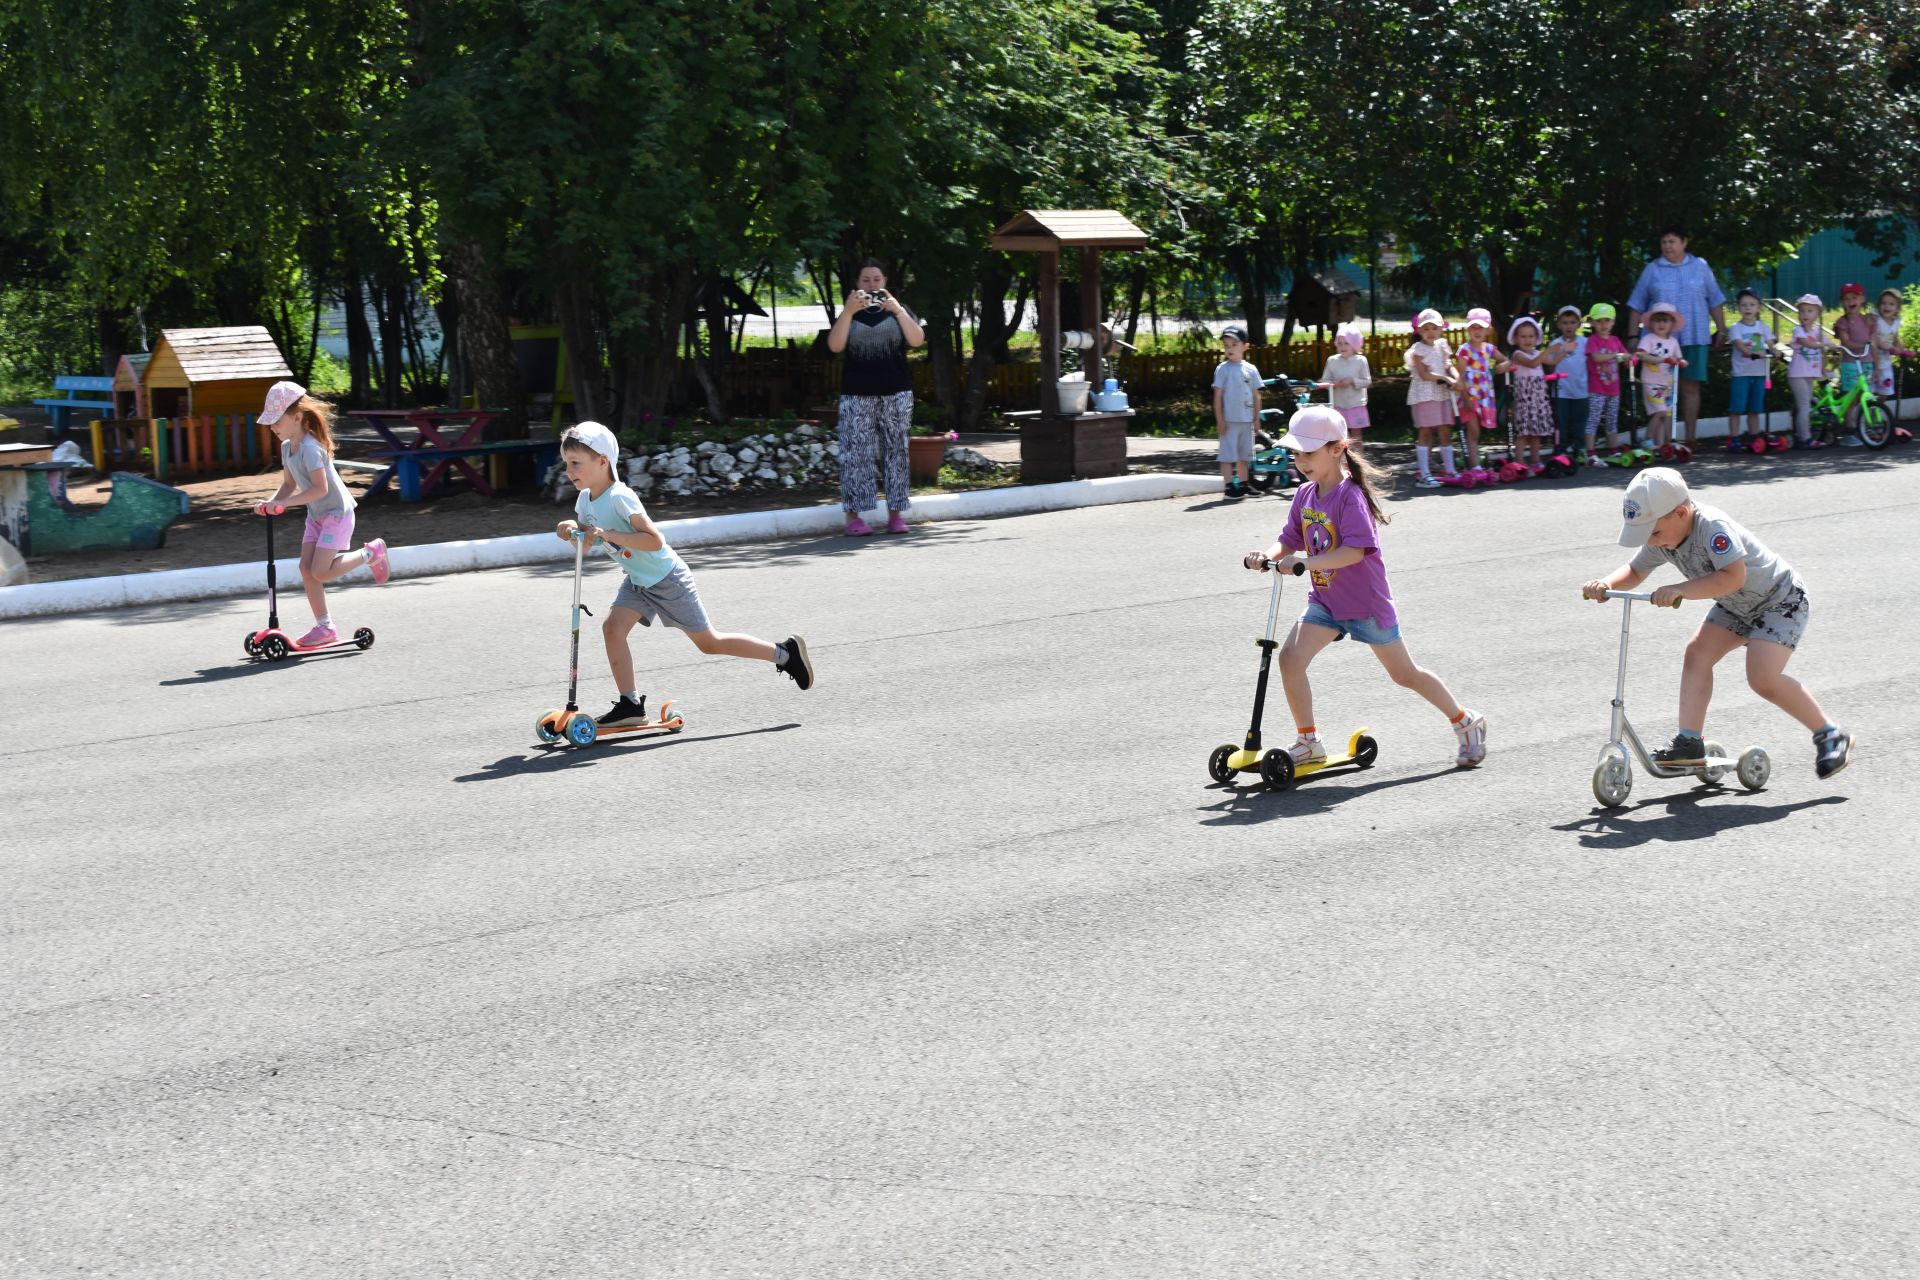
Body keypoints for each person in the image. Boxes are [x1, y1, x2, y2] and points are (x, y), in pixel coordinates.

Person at [1242, 405, 1487, 768]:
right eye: (1296, 453)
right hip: (1326, 601)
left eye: (1309, 452)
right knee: (1290, 659)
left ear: (1337, 449)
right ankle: (1309, 741)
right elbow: (1289, 538)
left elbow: (1354, 552)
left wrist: (1306, 563)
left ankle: (1465, 721)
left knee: (1405, 674)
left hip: (1366, 604)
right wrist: (1267, 555)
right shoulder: (1305, 495)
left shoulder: (1350, 496)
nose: (1301, 460)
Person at [1581, 467, 1852, 779]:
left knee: (1762, 678)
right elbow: (1636, 570)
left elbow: (1733, 577)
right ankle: (1690, 742)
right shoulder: (1663, 537)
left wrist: (1681, 589)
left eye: (1652, 533)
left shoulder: (1712, 528)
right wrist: (1604, 584)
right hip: (1736, 604)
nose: (1651, 543)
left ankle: (1830, 733)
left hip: (1779, 601)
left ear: (1681, 513)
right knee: (1697, 653)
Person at [553, 422, 813, 725]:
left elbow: (653, 540)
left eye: (575, 463)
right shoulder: (585, 499)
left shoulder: (620, 497)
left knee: (709, 643)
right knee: (612, 628)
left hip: (667, 579)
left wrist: (610, 534)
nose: (569, 470)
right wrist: (572, 532)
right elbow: (586, 545)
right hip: (638, 581)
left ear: (602, 461)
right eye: (566, 464)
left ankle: (784, 653)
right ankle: (631, 704)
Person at [253, 380, 389, 647]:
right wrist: (270, 502)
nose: (272, 427)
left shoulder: (311, 448)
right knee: (306, 568)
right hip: (317, 516)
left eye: (276, 421)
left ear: (297, 417)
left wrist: (285, 504)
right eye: (270, 422)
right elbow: (289, 484)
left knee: (320, 571)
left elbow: (319, 488)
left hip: (337, 514)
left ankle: (370, 553)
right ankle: (325, 627)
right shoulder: (286, 448)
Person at [826, 259, 926, 536]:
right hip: (857, 394)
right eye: (866, 280)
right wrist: (847, 312)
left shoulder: (899, 309)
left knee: (896, 453)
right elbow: (835, 345)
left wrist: (897, 310)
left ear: (885, 281)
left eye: (877, 279)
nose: (872, 285)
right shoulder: (850, 313)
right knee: (855, 455)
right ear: (857, 284)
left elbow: (917, 340)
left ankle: (896, 516)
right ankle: (854, 519)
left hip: (896, 392)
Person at [1626, 224, 1727, 450]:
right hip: (1657, 341)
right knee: (1657, 388)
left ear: (1684, 242)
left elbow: (1715, 299)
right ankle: (1658, 440)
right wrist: (1633, 335)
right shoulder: (1653, 269)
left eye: (1672, 241)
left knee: (1691, 387)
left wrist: (1722, 329)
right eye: (1664, 242)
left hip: (1694, 335)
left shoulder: (1700, 266)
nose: (1668, 246)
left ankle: (1690, 438)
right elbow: (1636, 303)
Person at [1405, 308, 1459, 488]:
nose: (1430, 332)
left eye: (1434, 328)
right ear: (1419, 331)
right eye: (1425, 328)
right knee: (1426, 431)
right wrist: (1444, 378)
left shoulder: (1442, 345)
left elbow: (1448, 365)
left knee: (1444, 430)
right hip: (1424, 394)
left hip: (1442, 394)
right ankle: (1424, 473)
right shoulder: (1418, 349)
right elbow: (1423, 375)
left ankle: (1450, 469)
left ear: (1441, 329)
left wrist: (1456, 377)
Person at [1724, 289, 1776, 451]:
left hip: (1760, 373)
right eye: (1744, 305)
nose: (1748, 308)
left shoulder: (1763, 327)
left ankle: (1754, 436)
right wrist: (1752, 353)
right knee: (1737, 408)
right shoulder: (1736, 328)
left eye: (1752, 305)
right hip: (1741, 373)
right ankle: (1734, 437)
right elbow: (1739, 345)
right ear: (1739, 308)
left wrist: (1775, 351)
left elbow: (1770, 343)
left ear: (1759, 307)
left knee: (1755, 408)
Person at [1213, 326, 1261, 498]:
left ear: (1245, 346)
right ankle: (1228, 487)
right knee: (1227, 455)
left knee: (1244, 455)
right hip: (1229, 420)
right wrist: (1220, 420)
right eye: (1226, 345)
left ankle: (1244, 483)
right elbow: (1218, 396)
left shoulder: (1251, 369)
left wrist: (1256, 418)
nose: (1229, 349)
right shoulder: (1223, 369)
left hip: (1246, 420)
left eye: (1234, 344)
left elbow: (1256, 396)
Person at [1635, 302, 1687, 459]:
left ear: (1672, 324)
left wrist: (1682, 362)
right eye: (1657, 320)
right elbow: (1641, 355)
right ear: (1651, 323)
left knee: (1665, 416)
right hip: (1651, 381)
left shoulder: (1673, 342)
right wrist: (1662, 359)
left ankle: (1662, 445)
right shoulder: (1648, 339)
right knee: (1660, 412)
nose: (1661, 324)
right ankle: (1648, 440)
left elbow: (1679, 358)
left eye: (1665, 320)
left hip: (1667, 383)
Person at [1451, 307, 1500, 472]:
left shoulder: (1489, 348)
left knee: (1476, 432)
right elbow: (1460, 376)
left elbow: (1505, 360)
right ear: (1468, 329)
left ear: (1489, 329)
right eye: (1473, 327)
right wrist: (1465, 399)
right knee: (1473, 431)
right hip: (1469, 396)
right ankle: (1475, 465)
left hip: (1484, 396)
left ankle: (1469, 459)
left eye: (1481, 327)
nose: (1477, 331)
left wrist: (1504, 365)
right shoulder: (1465, 350)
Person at [1504, 316, 1555, 469]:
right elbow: (1533, 364)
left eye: (1531, 336)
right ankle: (1519, 463)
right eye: (1523, 336)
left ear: (1536, 337)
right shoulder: (1518, 355)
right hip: (1525, 399)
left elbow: (1552, 361)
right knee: (1523, 432)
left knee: (1536, 432)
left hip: (1538, 398)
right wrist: (1549, 350)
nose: (1528, 340)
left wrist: (1564, 350)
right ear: (1516, 338)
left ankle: (1535, 461)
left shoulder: (1536, 353)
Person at [1831, 282, 1879, 447]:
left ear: (1862, 299)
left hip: (1867, 363)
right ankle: (1849, 432)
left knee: (1865, 396)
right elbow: (1846, 342)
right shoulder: (1842, 322)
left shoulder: (1868, 320)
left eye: (1854, 297)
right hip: (1850, 363)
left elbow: (1874, 345)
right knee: (1850, 400)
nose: (1850, 301)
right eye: (1846, 299)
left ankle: (1869, 429)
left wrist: (1877, 366)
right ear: (1842, 302)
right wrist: (1863, 346)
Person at [1583, 304, 1630, 463]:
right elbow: (1596, 358)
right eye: (1599, 321)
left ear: (1613, 322)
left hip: (1613, 388)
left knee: (1612, 420)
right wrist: (1617, 356)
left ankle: (1613, 450)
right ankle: (1590, 452)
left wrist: (1630, 359)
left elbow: (1625, 356)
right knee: (1594, 419)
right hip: (1597, 388)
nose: (1603, 324)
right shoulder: (1592, 340)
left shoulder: (1615, 340)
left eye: (1607, 320)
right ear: (1593, 323)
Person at [1543, 305, 1589, 462]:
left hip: (1582, 390)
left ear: (1578, 324)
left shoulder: (1585, 342)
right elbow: (1550, 365)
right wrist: (1562, 352)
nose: (1568, 326)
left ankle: (1580, 449)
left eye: (1572, 322)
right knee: (1561, 422)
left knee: (1580, 422)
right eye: (1564, 322)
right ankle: (1560, 449)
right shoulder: (1555, 343)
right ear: (1559, 325)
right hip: (1561, 390)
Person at [1320, 321, 1373, 457]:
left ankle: (1359, 461)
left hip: (1356, 404)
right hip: (1338, 404)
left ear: (1355, 344)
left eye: (1346, 343)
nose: (1342, 346)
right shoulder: (1332, 360)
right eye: (1339, 343)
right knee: (1340, 436)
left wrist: (1352, 381)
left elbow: (1367, 381)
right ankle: (1343, 461)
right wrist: (1333, 384)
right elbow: (1324, 381)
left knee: (1356, 436)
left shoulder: (1361, 360)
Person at [1786, 293, 1829, 448]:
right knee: (1804, 405)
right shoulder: (1799, 330)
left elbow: (1823, 351)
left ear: (1817, 313)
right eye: (1802, 311)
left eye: (1810, 311)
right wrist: (1821, 345)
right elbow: (1806, 343)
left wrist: (1824, 365)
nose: (1805, 314)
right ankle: (1805, 439)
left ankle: (1805, 434)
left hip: (1809, 374)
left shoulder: (1818, 332)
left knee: (1806, 405)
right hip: (1797, 374)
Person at [1872, 287, 1907, 398]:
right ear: (1879, 305)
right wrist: (1888, 347)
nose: (1887, 306)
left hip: (1886, 362)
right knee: (1869, 390)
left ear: (1897, 308)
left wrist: (1902, 349)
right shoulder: (1876, 320)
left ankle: (1875, 412)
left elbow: (1895, 336)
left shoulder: (1896, 321)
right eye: (1884, 303)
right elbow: (1873, 338)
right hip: (1873, 359)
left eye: (1891, 304)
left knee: (1885, 391)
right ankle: (1866, 411)